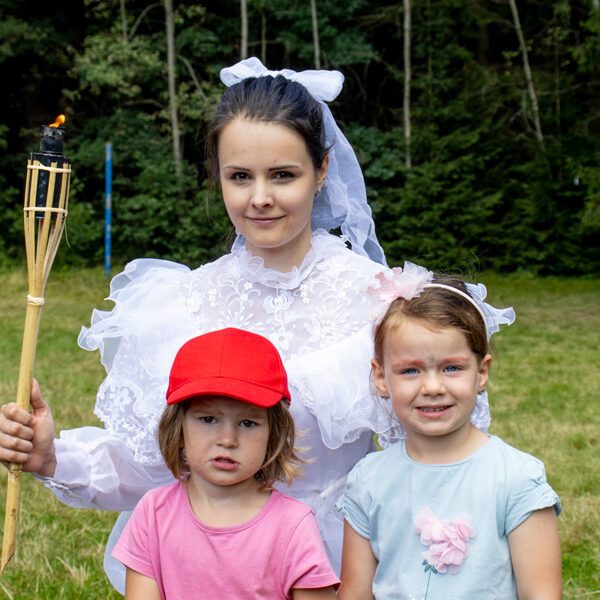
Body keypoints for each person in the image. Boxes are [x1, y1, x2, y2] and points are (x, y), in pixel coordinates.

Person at [0, 57, 505, 592]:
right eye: (240, 176)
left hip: (334, 560)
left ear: (322, 171)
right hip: (207, 562)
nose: (260, 197)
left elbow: (436, 453)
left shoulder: (377, 303)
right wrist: (52, 457)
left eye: (283, 175)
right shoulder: (182, 304)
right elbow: (155, 465)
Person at [338, 264, 561, 600]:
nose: (432, 387)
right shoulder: (368, 480)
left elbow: (541, 594)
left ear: (481, 373)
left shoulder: (516, 478)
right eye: (410, 370)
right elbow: (355, 593)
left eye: (452, 368)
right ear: (381, 378)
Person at [113, 328, 339, 599]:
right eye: (208, 419)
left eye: (248, 423)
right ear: (178, 428)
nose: (228, 440)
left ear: (273, 435)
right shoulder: (153, 513)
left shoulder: (293, 525)